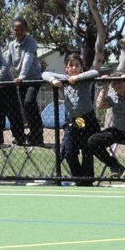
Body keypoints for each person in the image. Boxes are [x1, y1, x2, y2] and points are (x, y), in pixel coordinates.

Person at [42, 53, 100, 185]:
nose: (74, 68)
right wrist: (53, 80)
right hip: (71, 120)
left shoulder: (85, 79)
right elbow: (45, 74)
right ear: (66, 68)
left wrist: (77, 78)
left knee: (87, 150)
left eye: (77, 65)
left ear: (81, 67)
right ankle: (78, 178)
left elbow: (95, 72)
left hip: (87, 119)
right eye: (71, 66)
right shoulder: (64, 78)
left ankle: (87, 180)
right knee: (68, 150)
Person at [87, 72, 125, 179]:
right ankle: (115, 166)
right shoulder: (113, 96)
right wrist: (105, 87)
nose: (117, 85)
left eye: (120, 82)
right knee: (93, 141)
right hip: (117, 130)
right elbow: (99, 106)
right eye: (114, 83)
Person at [0, 17, 43, 145]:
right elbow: (6, 63)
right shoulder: (12, 45)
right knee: (25, 106)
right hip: (22, 81)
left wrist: (22, 75)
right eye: (16, 29)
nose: (19, 31)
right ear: (13, 30)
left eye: (21, 29)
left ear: (26, 29)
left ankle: (38, 133)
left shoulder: (31, 42)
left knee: (29, 101)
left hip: (34, 78)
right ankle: (33, 134)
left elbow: (28, 60)